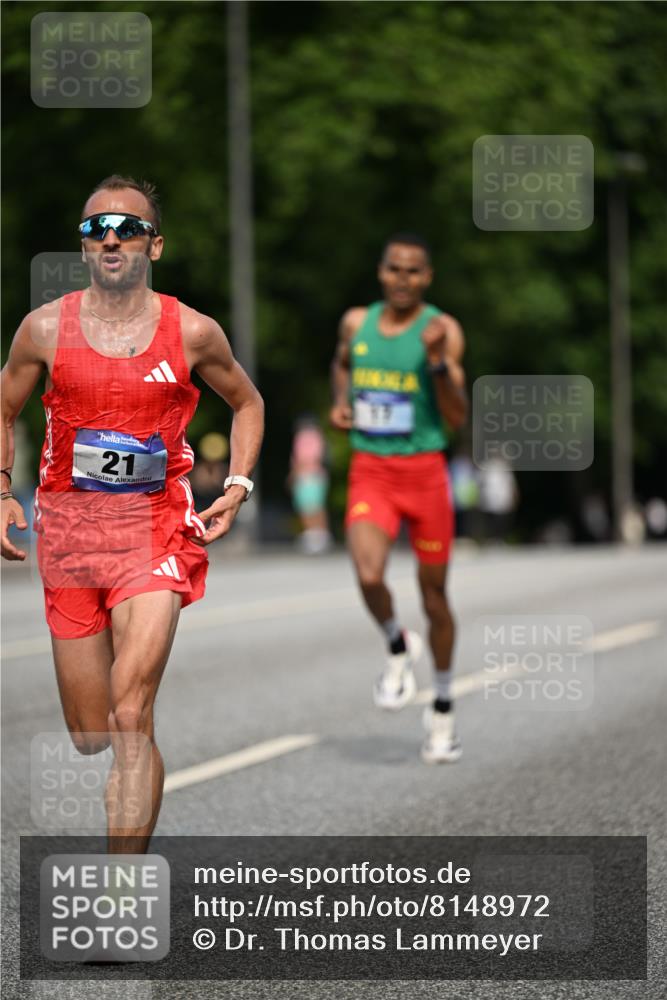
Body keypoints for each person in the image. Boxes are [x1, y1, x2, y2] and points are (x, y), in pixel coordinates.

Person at [0, 175, 264, 852]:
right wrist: (3, 489)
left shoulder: (194, 331)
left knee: (129, 713)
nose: (111, 237)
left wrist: (236, 484)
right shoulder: (44, 329)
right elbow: (3, 408)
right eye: (96, 228)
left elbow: (248, 402)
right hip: (69, 538)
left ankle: (120, 891)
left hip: (155, 533)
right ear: (83, 246)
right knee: (90, 732)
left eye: (127, 227)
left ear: (155, 244)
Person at [330, 233, 467, 763]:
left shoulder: (442, 330)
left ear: (427, 277)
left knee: (434, 598)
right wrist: (341, 400)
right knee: (367, 574)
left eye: (414, 271)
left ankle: (444, 708)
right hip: (372, 470)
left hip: (426, 473)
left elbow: (456, 416)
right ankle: (395, 642)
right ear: (381, 272)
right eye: (395, 269)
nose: (403, 279)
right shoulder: (354, 322)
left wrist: (434, 363)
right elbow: (342, 363)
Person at [288, 414, 332, 554]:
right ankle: (318, 535)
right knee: (314, 505)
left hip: (308, 475)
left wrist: (294, 474)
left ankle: (314, 536)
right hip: (316, 475)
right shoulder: (318, 436)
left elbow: (305, 459)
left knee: (309, 506)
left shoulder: (305, 437)